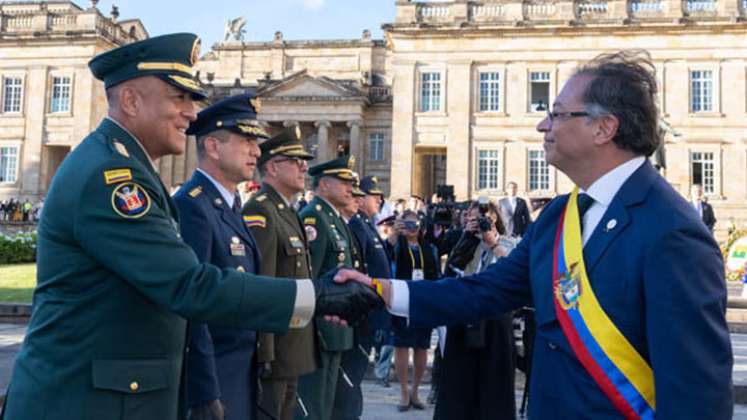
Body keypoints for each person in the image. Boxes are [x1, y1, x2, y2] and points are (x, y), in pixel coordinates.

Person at [0, 33, 381, 420]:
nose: (192, 113)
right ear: (131, 100)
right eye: (178, 98)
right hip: (83, 401)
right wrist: (314, 295)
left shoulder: (127, 166)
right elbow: (188, 284)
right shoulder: (111, 177)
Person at [339, 50, 733, 419]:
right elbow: (486, 291)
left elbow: (695, 391)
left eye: (558, 114)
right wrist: (381, 290)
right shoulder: (560, 216)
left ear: (604, 128)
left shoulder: (672, 231)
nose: (543, 125)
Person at [173, 93, 270, 420]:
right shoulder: (194, 205)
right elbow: (193, 303)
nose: (256, 150)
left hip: (238, 368)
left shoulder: (227, 204)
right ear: (213, 146)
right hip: (215, 373)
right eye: (246, 140)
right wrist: (204, 389)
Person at [241, 130, 318, 420]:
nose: (304, 167)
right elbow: (263, 283)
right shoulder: (260, 211)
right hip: (275, 346)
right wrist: (266, 351)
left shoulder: (287, 210)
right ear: (272, 167)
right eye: (296, 161)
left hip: (291, 343)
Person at [436, 200, 516, 420]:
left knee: (494, 381)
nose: (477, 224)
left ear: (495, 219)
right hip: (465, 314)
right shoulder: (465, 244)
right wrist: (466, 239)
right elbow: (450, 274)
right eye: (471, 219)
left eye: (482, 219)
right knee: (460, 380)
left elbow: (512, 269)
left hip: (494, 320)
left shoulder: (509, 242)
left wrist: (492, 243)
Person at [296, 155, 358, 420]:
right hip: (320, 326)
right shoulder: (314, 218)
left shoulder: (334, 218)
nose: (350, 188)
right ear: (323, 186)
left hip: (336, 325)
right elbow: (310, 276)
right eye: (343, 182)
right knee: (314, 403)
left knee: (327, 402)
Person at [387, 210, 440, 412]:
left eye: (415, 225)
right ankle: (403, 391)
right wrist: (394, 234)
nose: (412, 229)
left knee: (421, 346)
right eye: (407, 225)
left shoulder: (429, 248)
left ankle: (416, 391)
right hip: (401, 298)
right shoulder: (397, 246)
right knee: (401, 345)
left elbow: (435, 271)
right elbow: (385, 255)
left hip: (423, 298)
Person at [349, 177, 394, 390]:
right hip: (366, 304)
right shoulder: (357, 224)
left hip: (374, 302)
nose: (379, 200)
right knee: (354, 369)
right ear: (360, 198)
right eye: (374, 196)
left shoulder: (367, 223)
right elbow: (359, 264)